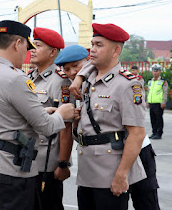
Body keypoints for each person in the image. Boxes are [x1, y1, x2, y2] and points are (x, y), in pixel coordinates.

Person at [0, 20, 75, 210]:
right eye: (27, 46)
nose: (28, 52)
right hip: (9, 169)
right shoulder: (16, 78)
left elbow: (3, 114)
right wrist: (61, 113)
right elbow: (47, 127)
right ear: (17, 43)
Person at [60, 46, 161, 210]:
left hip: (136, 150)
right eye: (67, 69)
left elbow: (136, 134)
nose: (72, 72)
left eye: (76, 66)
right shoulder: (84, 86)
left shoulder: (114, 80)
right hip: (107, 154)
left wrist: (79, 76)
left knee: (146, 201)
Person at [69, 23, 147, 210]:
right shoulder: (89, 79)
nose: (92, 50)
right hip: (87, 171)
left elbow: (137, 134)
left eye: (99, 45)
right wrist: (80, 76)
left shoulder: (127, 84)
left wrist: (121, 176)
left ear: (115, 50)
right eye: (92, 44)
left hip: (110, 174)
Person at [28, 27, 71, 210]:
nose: (32, 49)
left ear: (53, 52)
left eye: (37, 45)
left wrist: (63, 162)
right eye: (32, 45)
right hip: (27, 157)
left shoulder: (60, 81)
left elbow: (65, 125)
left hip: (47, 160)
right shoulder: (28, 77)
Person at [147, 63, 168, 140]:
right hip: (151, 103)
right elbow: (149, 92)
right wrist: (147, 102)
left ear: (160, 72)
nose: (155, 72)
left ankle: (159, 133)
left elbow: (165, 92)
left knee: (158, 119)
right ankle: (154, 132)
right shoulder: (150, 81)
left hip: (159, 104)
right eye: (153, 71)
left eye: (157, 71)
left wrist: (163, 102)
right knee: (152, 119)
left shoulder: (163, 81)